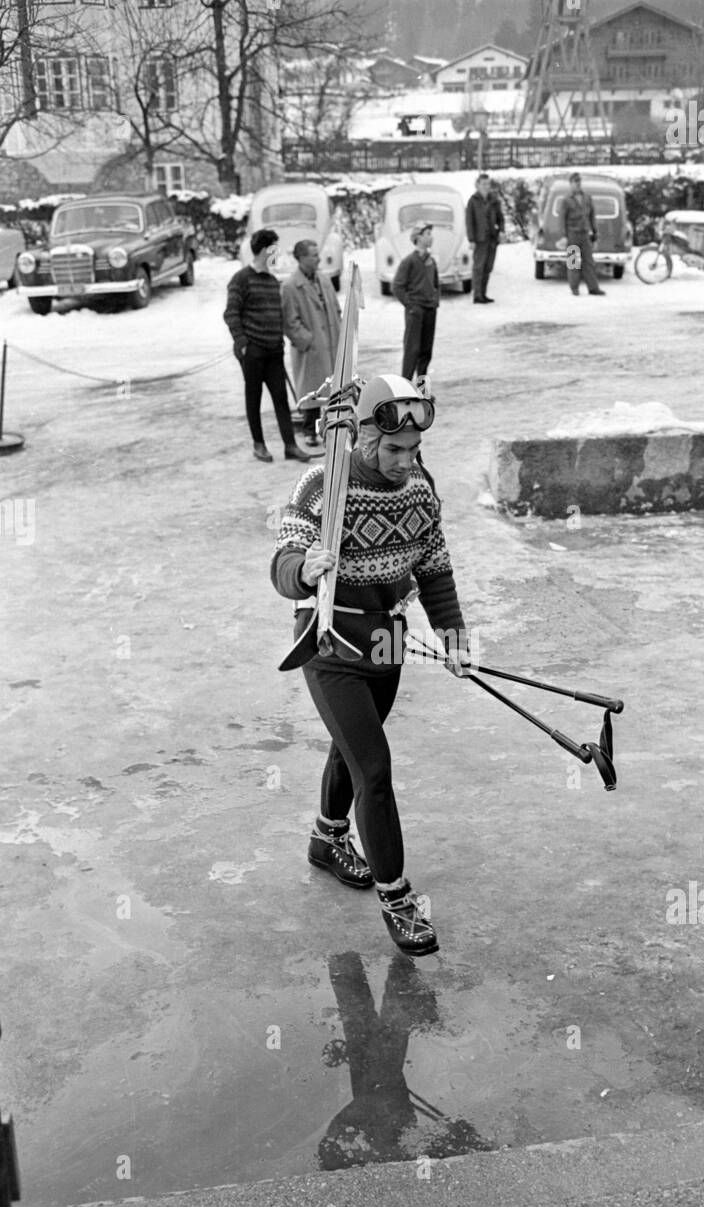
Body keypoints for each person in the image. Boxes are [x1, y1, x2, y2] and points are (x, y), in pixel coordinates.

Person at [270, 374, 472, 958]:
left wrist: (454, 637)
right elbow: (283, 560)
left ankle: (326, 840)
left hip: (386, 644)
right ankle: (398, 898)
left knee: (351, 749)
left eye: (414, 450)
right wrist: (304, 570)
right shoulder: (322, 485)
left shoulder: (418, 488)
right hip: (329, 644)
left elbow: (434, 566)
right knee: (375, 769)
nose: (406, 462)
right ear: (360, 438)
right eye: (393, 450)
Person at [223, 227, 309, 463]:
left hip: (273, 351)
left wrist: (280, 342)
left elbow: (277, 316)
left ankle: (290, 446)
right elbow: (231, 313)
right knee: (254, 396)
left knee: (281, 398)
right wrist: (241, 342)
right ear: (262, 250)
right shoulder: (241, 279)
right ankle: (259, 445)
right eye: (273, 249)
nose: (277, 254)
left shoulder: (272, 281)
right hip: (252, 351)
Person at [281, 238, 342, 448]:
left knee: (334, 388)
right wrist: (306, 340)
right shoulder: (290, 286)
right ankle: (309, 430)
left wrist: (340, 328)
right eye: (314, 255)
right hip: (311, 346)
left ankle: (334, 427)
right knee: (311, 389)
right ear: (302, 258)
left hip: (331, 342)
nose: (319, 258)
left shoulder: (324, 280)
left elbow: (335, 307)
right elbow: (290, 322)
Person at [391, 222, 440, 385]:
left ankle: (421, 386)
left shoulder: (431, 261)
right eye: (427, 234)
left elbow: (435, 283)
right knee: (413, 349)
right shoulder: (409, 261)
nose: (430, 237)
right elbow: (397, 286)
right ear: (418, 238)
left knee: (426, 350)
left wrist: (434, 300)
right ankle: (404, 385)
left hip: (430, 309)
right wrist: (410, 305)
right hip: (416, 310)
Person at [560, 171, 605, 297]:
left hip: (585, 234)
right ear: (570, 184)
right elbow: (562, 219)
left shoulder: (587, 198)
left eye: (579, 182)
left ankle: (593, 287)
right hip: (572, 234)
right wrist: (564, 235)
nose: (578, 184)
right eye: (575, 182)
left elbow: (592, 216)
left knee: (589, 262)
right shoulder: (566, 200)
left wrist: (595, 232)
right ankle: (574, 288)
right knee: (573, 262)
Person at [465, 172, 504, 303]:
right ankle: (477, 295)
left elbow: (500, 218)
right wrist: (471, 239)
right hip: (479, 238)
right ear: (477, 185)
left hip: (492, 238)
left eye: (488, 184)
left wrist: (502, 230)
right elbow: (469, 222)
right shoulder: (473, 201)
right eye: (483, 184)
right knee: (478, 267)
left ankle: (484, 293)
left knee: (488, 267)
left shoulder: (494, 200)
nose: (486, 186)